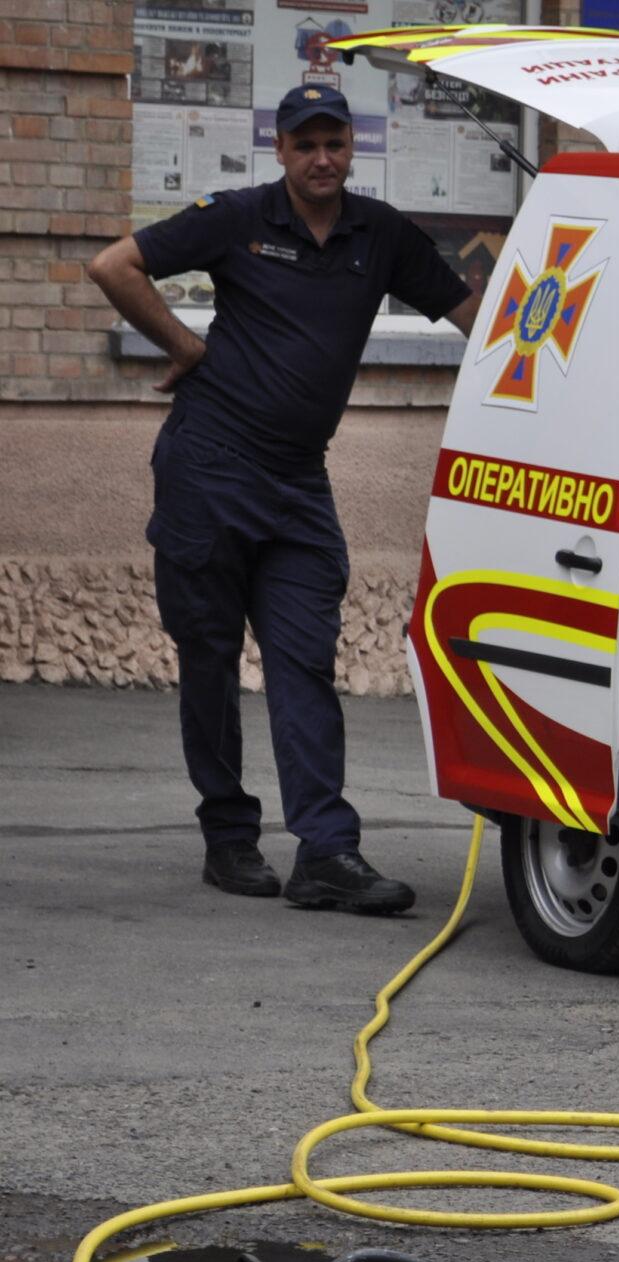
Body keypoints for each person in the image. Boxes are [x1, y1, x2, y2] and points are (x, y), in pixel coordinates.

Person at [85, 83, 482, 914]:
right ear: (281, 150)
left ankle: (326, 853)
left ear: (353, 145)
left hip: (300, 481)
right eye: (306, 144)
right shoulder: (237, 217)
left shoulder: (384, 235)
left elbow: (475, 317)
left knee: (304, 656)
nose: (322, 158)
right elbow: (113, 265)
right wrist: (185, 346)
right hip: (209, 468)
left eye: (335, 142)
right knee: (211, 655)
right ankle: (229, 838)